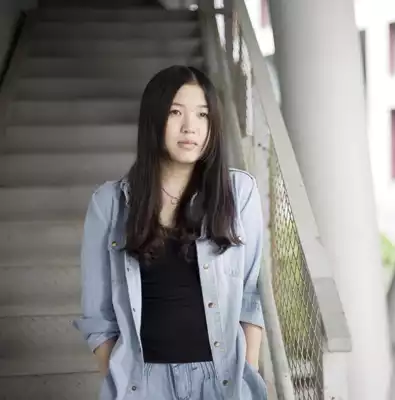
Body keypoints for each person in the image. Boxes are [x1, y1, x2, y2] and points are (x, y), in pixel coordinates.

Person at [74, 65, 267, 400]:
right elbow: (98, 315)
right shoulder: (109, 203)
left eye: (202, 114)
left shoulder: (239, 193)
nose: (190, 127)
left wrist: (245, 373)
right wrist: (124, 383)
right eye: (175, 112)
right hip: (145, 384)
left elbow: (251, 297)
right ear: (153, 120)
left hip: (221, 382)